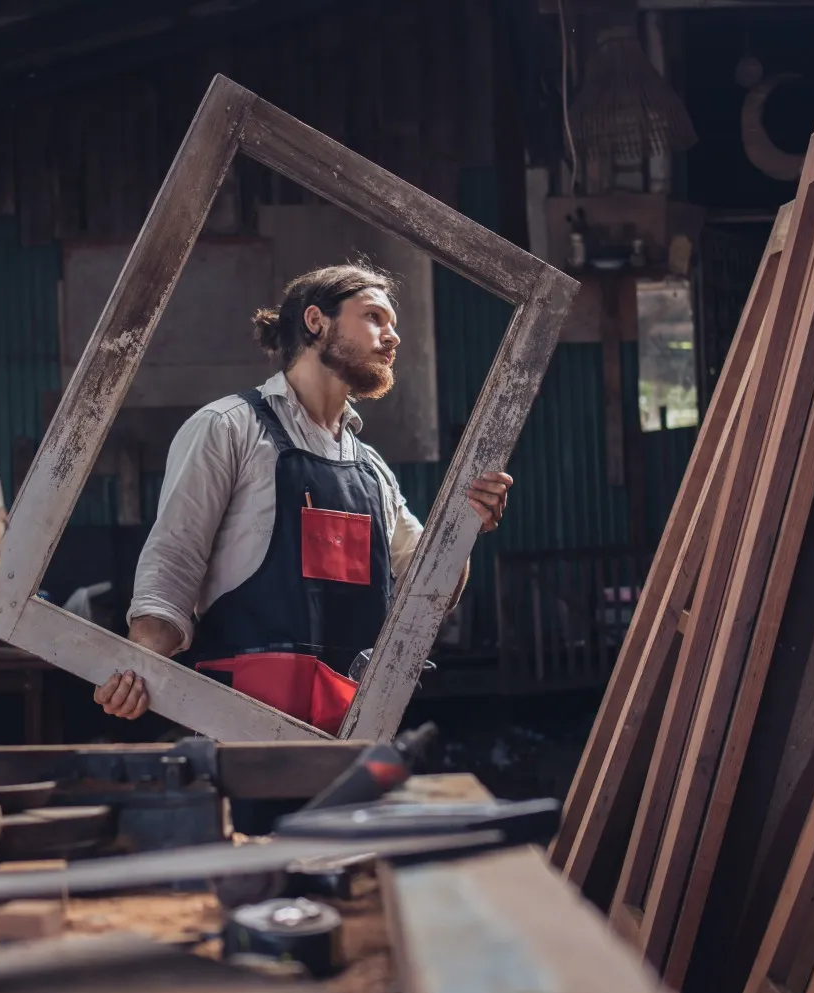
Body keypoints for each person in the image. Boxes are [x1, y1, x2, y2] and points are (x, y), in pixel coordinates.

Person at [93, 262, 512, 730]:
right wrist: (136, 666)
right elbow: (174, 559)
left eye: (394, 326)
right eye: (375, 317)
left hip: (355, 724)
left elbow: (430, 592)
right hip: (242, 723)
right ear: (316, 321)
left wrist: (463, 528)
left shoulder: (372, 470)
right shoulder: (228, 428)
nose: (392, 337)